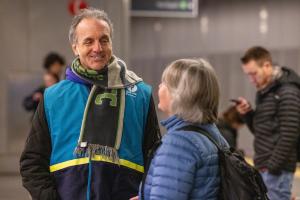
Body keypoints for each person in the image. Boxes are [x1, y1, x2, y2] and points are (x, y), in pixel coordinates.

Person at [20, 8, 161, 200]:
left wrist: (146, 194)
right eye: (88, 41)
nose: (98, 48)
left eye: (104, 40)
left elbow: (155, 158)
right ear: (75, 47)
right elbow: (32, 161)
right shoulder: (53, 97)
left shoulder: (141, 94)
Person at [135, 58, 228, 200]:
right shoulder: (212, 134)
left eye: (165, 83)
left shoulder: (178, 144)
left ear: (179, 94)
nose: (160, 86)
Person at [236, 46, 300, 200]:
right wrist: (248, 114)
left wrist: (271, 167)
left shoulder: (287, 92)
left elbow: (290, 135)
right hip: (265, 167)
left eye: (253, 74)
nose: (251, 79)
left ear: (266, 66)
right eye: (248, 75)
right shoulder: (266, 92)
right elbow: (261, 131)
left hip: (276, 170)